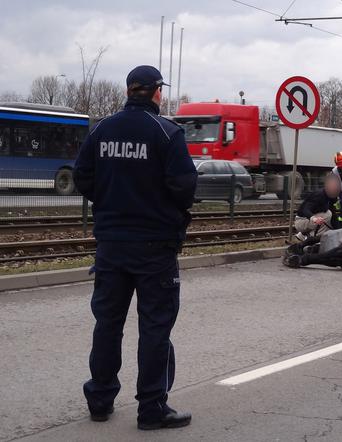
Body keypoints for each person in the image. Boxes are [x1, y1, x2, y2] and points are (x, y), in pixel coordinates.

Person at [73, 65, 197, 430]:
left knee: (107, 324)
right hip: (154, 247)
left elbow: (83, 176)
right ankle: (151, 408)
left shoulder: (102, 130)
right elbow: (185, 188)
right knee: (155, 328)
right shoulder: (167, 132)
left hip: (111, 244)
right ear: (156, 92)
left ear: (129, 91)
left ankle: (100, 399)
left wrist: (109, 201)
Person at [294, 174, 340, 240]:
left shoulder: (333, 196)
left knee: (328, 222)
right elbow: (305, 209)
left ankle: (302, 235)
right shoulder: (319, 195)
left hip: (310, 220)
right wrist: (314, 219)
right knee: (327, 215)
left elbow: (333, 215)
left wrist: (339, 231)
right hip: (301, 221)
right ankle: (312, 238)